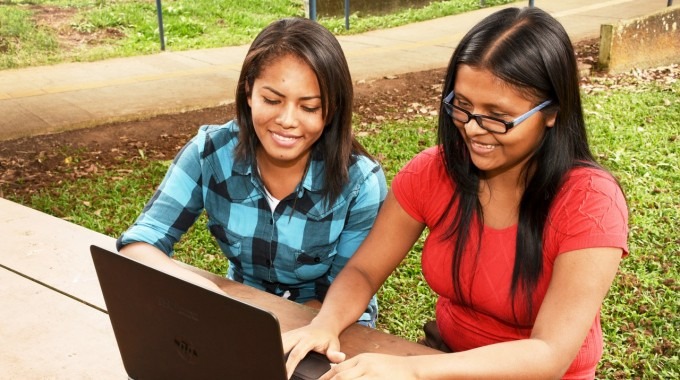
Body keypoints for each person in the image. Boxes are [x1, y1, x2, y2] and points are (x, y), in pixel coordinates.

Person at [283, 7, 628, 379]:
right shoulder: (434, 171)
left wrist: (414, 371)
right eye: (461, 106)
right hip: (445, 356)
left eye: (497, 115)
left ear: (551, 111)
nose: (473, 129)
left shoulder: (591, 202)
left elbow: (549, 354)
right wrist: (326, 323)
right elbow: (365, 270)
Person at [116, 17, 387, 327]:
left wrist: (268, 328)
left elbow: (347, 288)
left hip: (331, 326)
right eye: (272, 100)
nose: (287, 120)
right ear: (248, 91)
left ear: (333, 109)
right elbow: (140, 243)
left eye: (309, 107)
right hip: (238, 315)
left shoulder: (360, 183)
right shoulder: (210, 153)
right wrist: (208, 296)